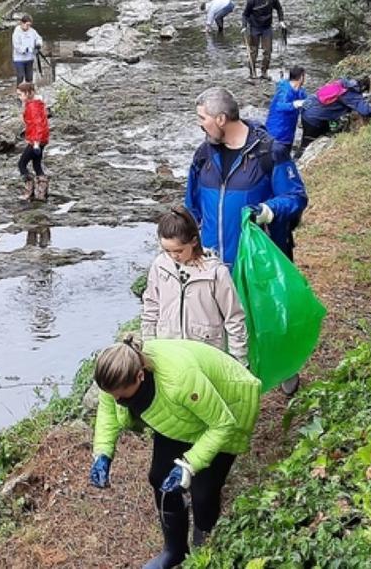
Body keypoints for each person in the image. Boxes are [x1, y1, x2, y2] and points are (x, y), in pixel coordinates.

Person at [87, 335, 261, 568]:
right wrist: (103, 453)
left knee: (203, 492)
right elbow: (108, 408)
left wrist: (190, 464)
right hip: (180, 416)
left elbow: (222, 424)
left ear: (140, 376)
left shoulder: (179, 379)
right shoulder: (119, 374)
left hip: (228, 406)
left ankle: (203, 552)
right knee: (160, 477)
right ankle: (175, 550)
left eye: (120, 394)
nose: (116, 400)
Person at [186, 87, 307, 266]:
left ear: (221, 119)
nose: (199, 124)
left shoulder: (270, 153)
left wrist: (267, 211)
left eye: (203, 118)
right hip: (211, 267)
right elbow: (191, 208)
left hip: (256, 267)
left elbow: (296, 197)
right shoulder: (203, 155)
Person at [142, 206, 248, 366]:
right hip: (168, 352)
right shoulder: (160, 265)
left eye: (178, 250)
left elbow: (234, 318)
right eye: (166, 250)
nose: (173, 256)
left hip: (206, 354)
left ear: (193, 241)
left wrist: (239, 358)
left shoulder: (216, 272)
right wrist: (148, 349)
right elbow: (151, 307)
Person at [299, 77, 371, 150]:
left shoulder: (342, 83)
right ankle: (297, 162)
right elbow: (366, 111)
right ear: (363, 88)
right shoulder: (351, 95)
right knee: (307, 144)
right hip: (314, 118)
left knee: (321, 134)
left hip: (308, 109)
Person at [242, 0, 285, 79]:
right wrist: (244, 26)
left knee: (268, 51)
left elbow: (279, 9)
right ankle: (252, 73)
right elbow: (245, 14)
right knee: (253, 51)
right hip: (254, 28)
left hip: (267, 28)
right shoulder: (251, 0)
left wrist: (281, 21)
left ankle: (264, 72)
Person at [265, 66, 307, 155]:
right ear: (301, 78)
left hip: (289, 131)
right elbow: (280, 106)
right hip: (277, 131)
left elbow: (307, 102)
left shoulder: (300, 91)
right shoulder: (284, 90)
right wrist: (294, 104)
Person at [18, 81, 50, 201]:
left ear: (27, 93)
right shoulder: (37, 103)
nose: (19, 97)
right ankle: (42, 193)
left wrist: (35, 143)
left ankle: (29, 192)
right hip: (42, 139)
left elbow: (37, 125)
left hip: (36, 140)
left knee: (21, 164)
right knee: (37, 164)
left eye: (20, 94)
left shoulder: (32, 107)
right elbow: (38, 123)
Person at [11, 14, 44, 84]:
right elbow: (17, 46)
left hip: (29, 58)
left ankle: (29, 93)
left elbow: (39, 38)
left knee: (29, 77)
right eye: (27, 25)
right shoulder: (16, 33)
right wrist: (26, 50)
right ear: (22, 23)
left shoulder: (32, 31)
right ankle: (19, 92)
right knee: (20, 76)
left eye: (29, 25)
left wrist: (38, 44)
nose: (28, 27)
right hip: (19, 59)